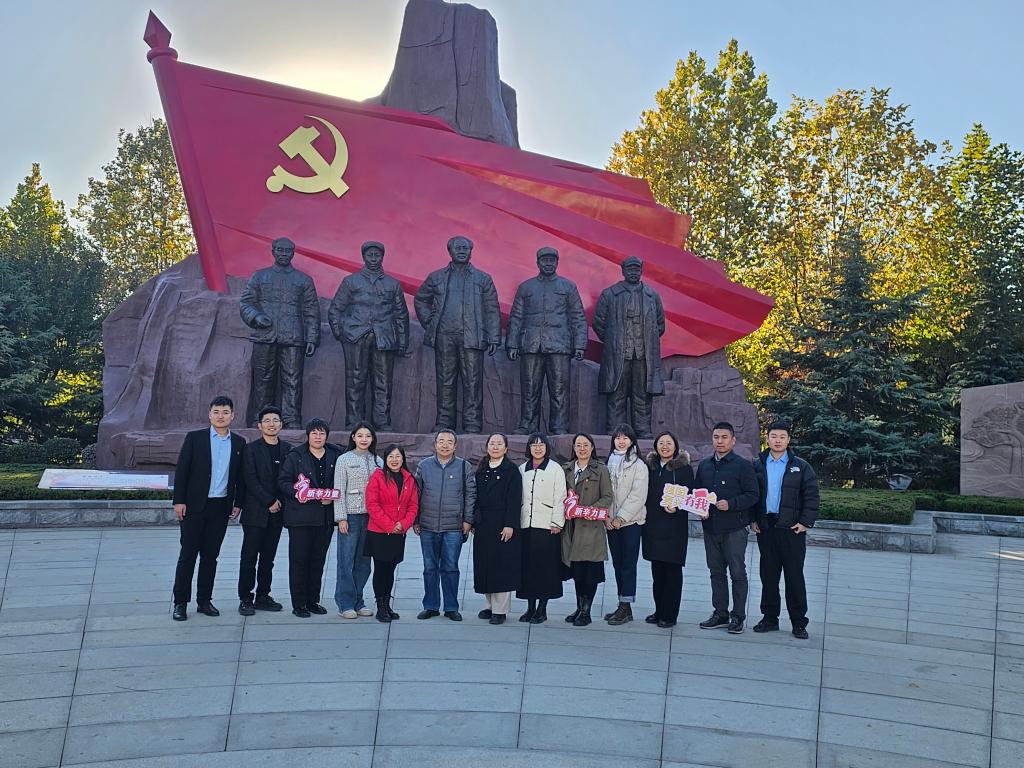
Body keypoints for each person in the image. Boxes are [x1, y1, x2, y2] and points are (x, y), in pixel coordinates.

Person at [413, 235, 501, 433]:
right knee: (445, 380)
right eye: (458, 248)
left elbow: (492, 309)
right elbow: (420, 300)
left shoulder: (483, 278)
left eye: (465, 248)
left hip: (472, 336)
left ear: (471, 252)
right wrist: (429, 322)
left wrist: (494, 337)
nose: (462, 251)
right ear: (450, 251)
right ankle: (444, 423)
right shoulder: (437, 277)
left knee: (473, 382)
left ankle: (472, 424)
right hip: (445, 336)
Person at [171, 395, 246, 621]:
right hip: (194, 506)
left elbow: (240, 478)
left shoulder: (239, 443)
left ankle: (204, 601)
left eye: (225, 412)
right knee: (188, 555)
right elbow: (182, 471)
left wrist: (238, 503)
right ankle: (180, 603)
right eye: (216, 412)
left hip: (220, 507)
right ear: (209, 414)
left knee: (210, 557)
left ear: (232, 415)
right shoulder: (195, 438)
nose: (220, 416)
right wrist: (179, 501)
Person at [239, 237, 321, 428]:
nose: (284, 254)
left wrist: (311, 338)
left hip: (293, 337)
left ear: (293, 253)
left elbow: (311, 310)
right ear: (273, 252)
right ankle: (262, 419)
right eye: (280, 250)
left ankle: (292, 420)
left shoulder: (303, 280)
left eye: (287, 251)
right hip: (264, 335)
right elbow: (246, 302)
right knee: (263, 380)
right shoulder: (260, 276)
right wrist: (257, 317)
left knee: (292, 381)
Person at [328, 241, 410, 430]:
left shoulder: (392, 284)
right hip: (355, 336)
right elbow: (335, 310)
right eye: (370, 255)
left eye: (377, 255)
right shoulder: (351, 281)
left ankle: (382, 421)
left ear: (382, 257)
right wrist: (341, 333)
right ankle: (354, 421)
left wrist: (403, 342)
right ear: (363, 257)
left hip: (384, 338)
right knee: (355, 379)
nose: (373, 259)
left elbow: (401, 314)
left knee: (383, 382)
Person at [505, 247, 588, 434]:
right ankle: (528, 424)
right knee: (529, 388)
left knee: (559, 389)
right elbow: (516, 317)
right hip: (531, 344)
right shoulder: (526, 287)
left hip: (559, 345)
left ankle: (559, 426)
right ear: (537, 263)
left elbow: (578, 317)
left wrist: (580, 345)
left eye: (552, 260)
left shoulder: (568, 287)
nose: (548, 263)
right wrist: (512, 343)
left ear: (557, 262)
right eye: (544, 260)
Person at [751, 420, 820, 639]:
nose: (778, 441)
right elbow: (752, 495)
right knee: (768, 576)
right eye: (774, 436)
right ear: (767, 438)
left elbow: (811, 495)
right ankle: (769, 618)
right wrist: (753, 519)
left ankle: (799, 622)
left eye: (782, 437)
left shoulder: (801, 466)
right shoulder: (758, 465)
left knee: (794, 577)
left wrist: (805, 522)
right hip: (767, 528)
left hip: (792, 530)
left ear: (788, 440)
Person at [694, 421, 759, 634]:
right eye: (716, 437)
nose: (719, 441)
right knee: (716, 572)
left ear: (733, 440)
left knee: (737, 572)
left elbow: (753, 495)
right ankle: (720, 613)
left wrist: (731, 504)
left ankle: (738, 616)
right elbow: (697, 492)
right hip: (710, 527)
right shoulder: (704, 465)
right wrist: (700, 508)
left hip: (735, 528)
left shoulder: (743, 465)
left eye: (724, 437)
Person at [592, 256, 666, 438]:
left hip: (643, 355)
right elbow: (598, 323)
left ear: (641, 271)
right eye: (630, 269)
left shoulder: (652, 296)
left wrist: (646, 341)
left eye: (636, 269)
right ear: (623, 271)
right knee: (616, 394)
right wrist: (613, 341)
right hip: (618, 355)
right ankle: (615, 430)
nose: (633, 272)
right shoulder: (610, 294)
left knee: (642, 394)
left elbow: (659, 325)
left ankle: (643, 430)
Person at [278, 419, 341, 618]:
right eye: (314, 433)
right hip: (301, 518)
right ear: (308, 435)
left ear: (326, 436)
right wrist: (298, 493)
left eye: (322, 433)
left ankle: (313, 601)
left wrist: (332, 496)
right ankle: (299, 604)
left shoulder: (335, 454)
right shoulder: (295, 456)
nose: (318, 437)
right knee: (299, 562)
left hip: (325, 518)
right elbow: (283, 481)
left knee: (317, 561)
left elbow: (341, 481)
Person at [414, 429, 476, 620]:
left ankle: (451, 607)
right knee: (429, 568)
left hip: (453, 527)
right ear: (435, 444)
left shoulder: (464, 466)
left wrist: (467, 520)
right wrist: (416, 519)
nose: (445, 445)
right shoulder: (424, 466)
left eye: (450, 442)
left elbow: (470, 495)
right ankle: (431, 606)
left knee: (450, 568)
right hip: (428, 525)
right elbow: (416, 494)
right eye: (441, 441)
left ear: (455, 446)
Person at [237, 405, 291, 616]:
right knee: (249, 557)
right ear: (260, 426)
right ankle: (245, 598)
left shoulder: (288, 450)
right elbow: (249, 479)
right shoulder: (251, 449)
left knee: (268, 558)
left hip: (278, 514)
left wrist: (279, 502)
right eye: (267, 421)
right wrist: (269, 500)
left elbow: (290, 479)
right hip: (255, 512)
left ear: (281, 425)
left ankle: (263, 596)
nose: (271, 424)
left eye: (275, 420)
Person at [642, 431, 694, 628]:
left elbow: (690, 496)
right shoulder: (650, 468)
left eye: (669, 443)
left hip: (674, 528)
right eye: (661, 443)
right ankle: (659, 610)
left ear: (675, 446)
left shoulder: (684, 469)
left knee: (672, 572)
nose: (665, 446)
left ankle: (670, 615)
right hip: (653, 526)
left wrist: (678, 507)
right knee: (657, 572)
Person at [333, 422, 384, 618]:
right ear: (353, 437)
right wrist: (341, 518)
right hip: (351, 517)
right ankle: (345, 604)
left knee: (364, 562)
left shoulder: (378, 461)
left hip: (372, 518)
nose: (364, 439)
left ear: (373, 439)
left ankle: (358, 601)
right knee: (346, 561)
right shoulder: (344, 459)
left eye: (368, 436)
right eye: (360, 435)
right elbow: (338, 490)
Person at [561, 432, 613, 627]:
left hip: (590, 527)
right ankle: (579, 607)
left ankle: (586, 611)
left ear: (592, 448)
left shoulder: (600, 469)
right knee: (577, 570)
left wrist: (588, 510)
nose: (582, 449)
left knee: (590, 571)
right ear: (574, 448)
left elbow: (607, 496)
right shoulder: (566, 469)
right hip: (571, 527)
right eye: (578, 445)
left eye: (586, 445)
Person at [364, 444, 419, 622]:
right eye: (390, 456)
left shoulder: (409, 478)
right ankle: (380, 607)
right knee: (381, 569)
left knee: (391, 569)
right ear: (385, 459)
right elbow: (372, 504)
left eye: (398, 456)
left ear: (403, 458)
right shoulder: (378, 477)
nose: (394, 460)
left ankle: (387, 604)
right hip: (379, 532)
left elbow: (413, 506)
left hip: (398, 532)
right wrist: (389, 525)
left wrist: (403, 524)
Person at [472, 433, 523, 625]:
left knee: (501, 565)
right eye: (492, 443)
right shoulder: (481, 469)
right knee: (485, 564)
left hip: (503, 523)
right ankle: (490, 606)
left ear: (506, 448)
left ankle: (500, 610)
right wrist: (474, 520)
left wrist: (510, 524)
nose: (495, 447)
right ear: (487, 447)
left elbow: (514, 500)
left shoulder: (511, 470)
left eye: (499, 444)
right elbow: (475, 496)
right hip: (483, 524)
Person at [517, 433, 567, 624]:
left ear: (547, 448)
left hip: (547, 526)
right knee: (528, 568)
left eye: (541, 445)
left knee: (545, 569)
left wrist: (557, 522)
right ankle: (530, 608)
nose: (537, 448)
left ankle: (542, 609)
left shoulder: (555, 469)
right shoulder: (522, 469)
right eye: (534, 445)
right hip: (526, 525)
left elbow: (560, 497)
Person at [604, 424, 649, 625]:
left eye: (625, 438)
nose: (621, 441)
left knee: (628, 565)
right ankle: (623, 605)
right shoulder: (609, 462)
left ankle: (625, 606)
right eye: (618, 438)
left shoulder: (639, 465)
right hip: (611, 522)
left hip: (631, 522)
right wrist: (607, 517)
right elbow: (605, 493)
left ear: (632, 441)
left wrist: (620, 518)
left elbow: (638, 496)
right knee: (617, 564)